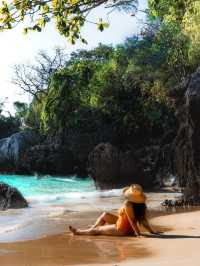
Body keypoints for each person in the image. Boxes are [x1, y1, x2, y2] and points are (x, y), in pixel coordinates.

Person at [69, 184, 159, 237]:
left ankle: (79, 232)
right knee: (105, 215)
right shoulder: (141, 205)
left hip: (122, 229)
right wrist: (152, 231)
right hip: (123, 223)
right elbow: (143, 219)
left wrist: (138, 234)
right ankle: (90, 230)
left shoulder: (128, 204)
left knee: (98, 230)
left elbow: (132, 221)